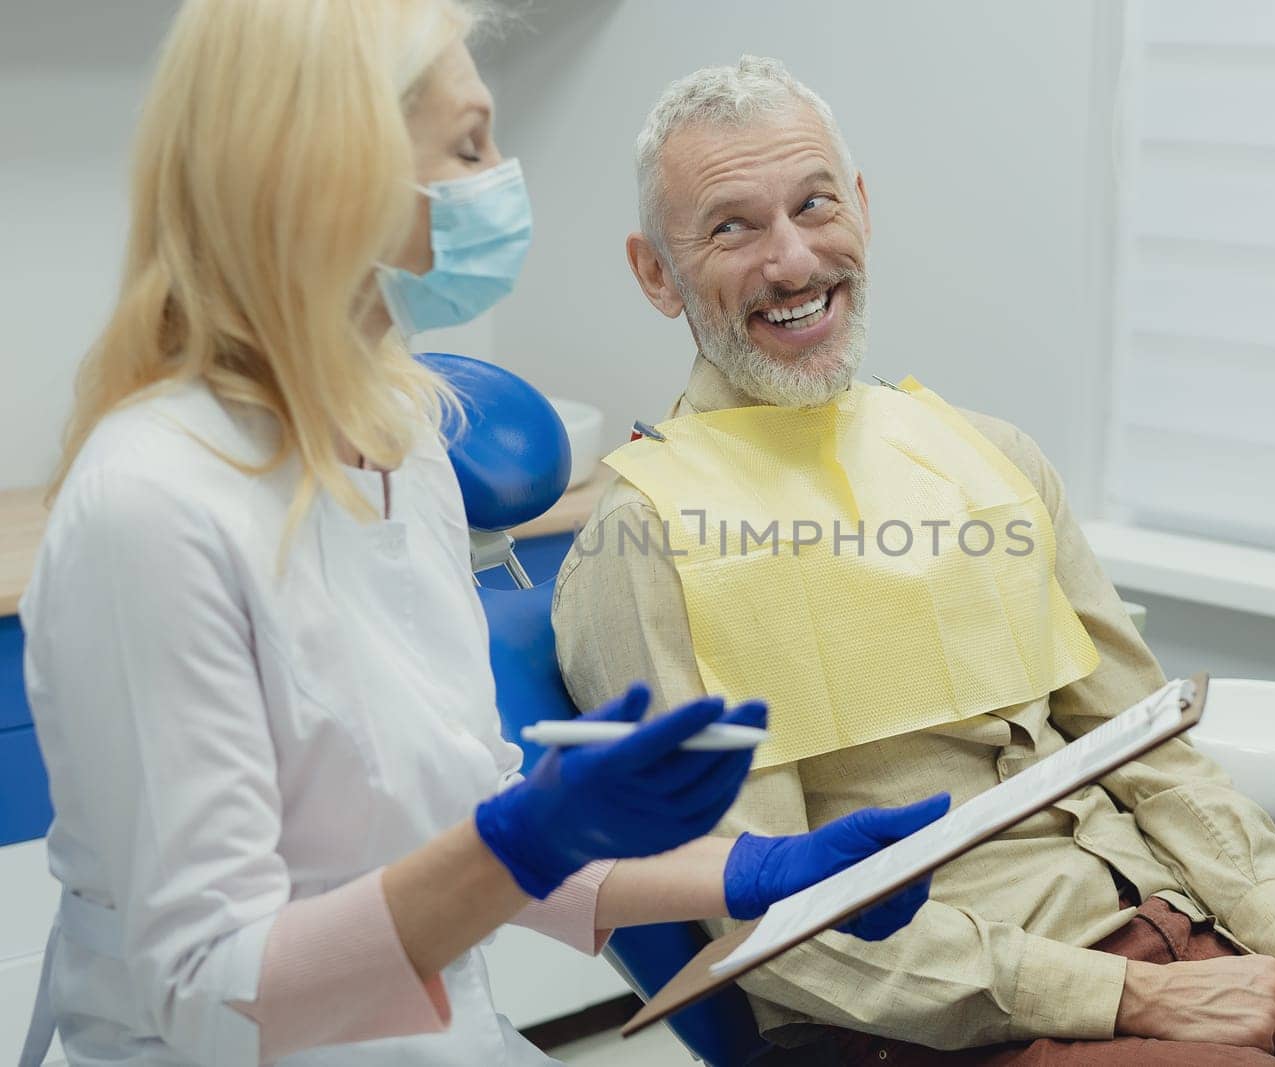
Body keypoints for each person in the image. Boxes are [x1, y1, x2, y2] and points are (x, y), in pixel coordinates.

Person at [552, 55, 1275, 1066]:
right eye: (732, 227)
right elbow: (771, 923)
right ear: (656, 272)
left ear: (862, 209)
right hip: (954, 1018)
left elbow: (1149, 747)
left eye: (816, 205)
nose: (791, 260)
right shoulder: (644, 542)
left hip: (1189, 930)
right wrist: (1126, 996)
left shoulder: (988, 455)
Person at [17, 9, 950, 1066]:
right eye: (467, 146)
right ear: (329, 179)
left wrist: (761, 870)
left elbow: (466, 839)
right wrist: (522, 842)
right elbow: (212, 991)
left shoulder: (399, 439)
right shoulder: (154, 504)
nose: (502, 177)